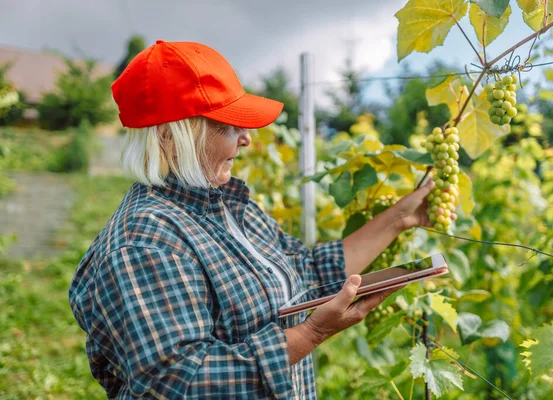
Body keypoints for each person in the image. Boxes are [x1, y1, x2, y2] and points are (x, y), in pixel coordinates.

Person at [68, 40, 435, 399]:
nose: (246, 138)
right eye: (229, 125)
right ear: (170, 136)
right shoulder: (146, 242)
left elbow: (305, 270)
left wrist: (400, 218)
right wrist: (310, 335)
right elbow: (180, 380)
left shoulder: (227, 205)